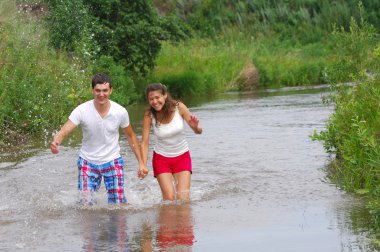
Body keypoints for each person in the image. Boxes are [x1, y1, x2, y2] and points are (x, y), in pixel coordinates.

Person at [50, 73, 148, 204]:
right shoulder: (81, 110)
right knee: (85, 204)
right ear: (92, 91)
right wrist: (56, 141)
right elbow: (65, 129)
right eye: (98, 90)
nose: (101, 94)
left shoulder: (120, 112)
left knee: (117, 204)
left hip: (112, 159)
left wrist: (141, 162)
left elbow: (131, 136)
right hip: (88, 161)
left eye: (105, 90)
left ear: (110, 90)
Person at [140, 83, 202, 201]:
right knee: (169, 198)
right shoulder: (149, 115)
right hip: (161, 159)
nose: (155, 101)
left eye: (157, 97)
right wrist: (143, 164)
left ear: (165, 95)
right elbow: (144, 142)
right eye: (151, 99)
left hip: (182, 157)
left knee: (183, 198)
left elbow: (198, 131)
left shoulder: (179, 108)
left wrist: (196, 127)